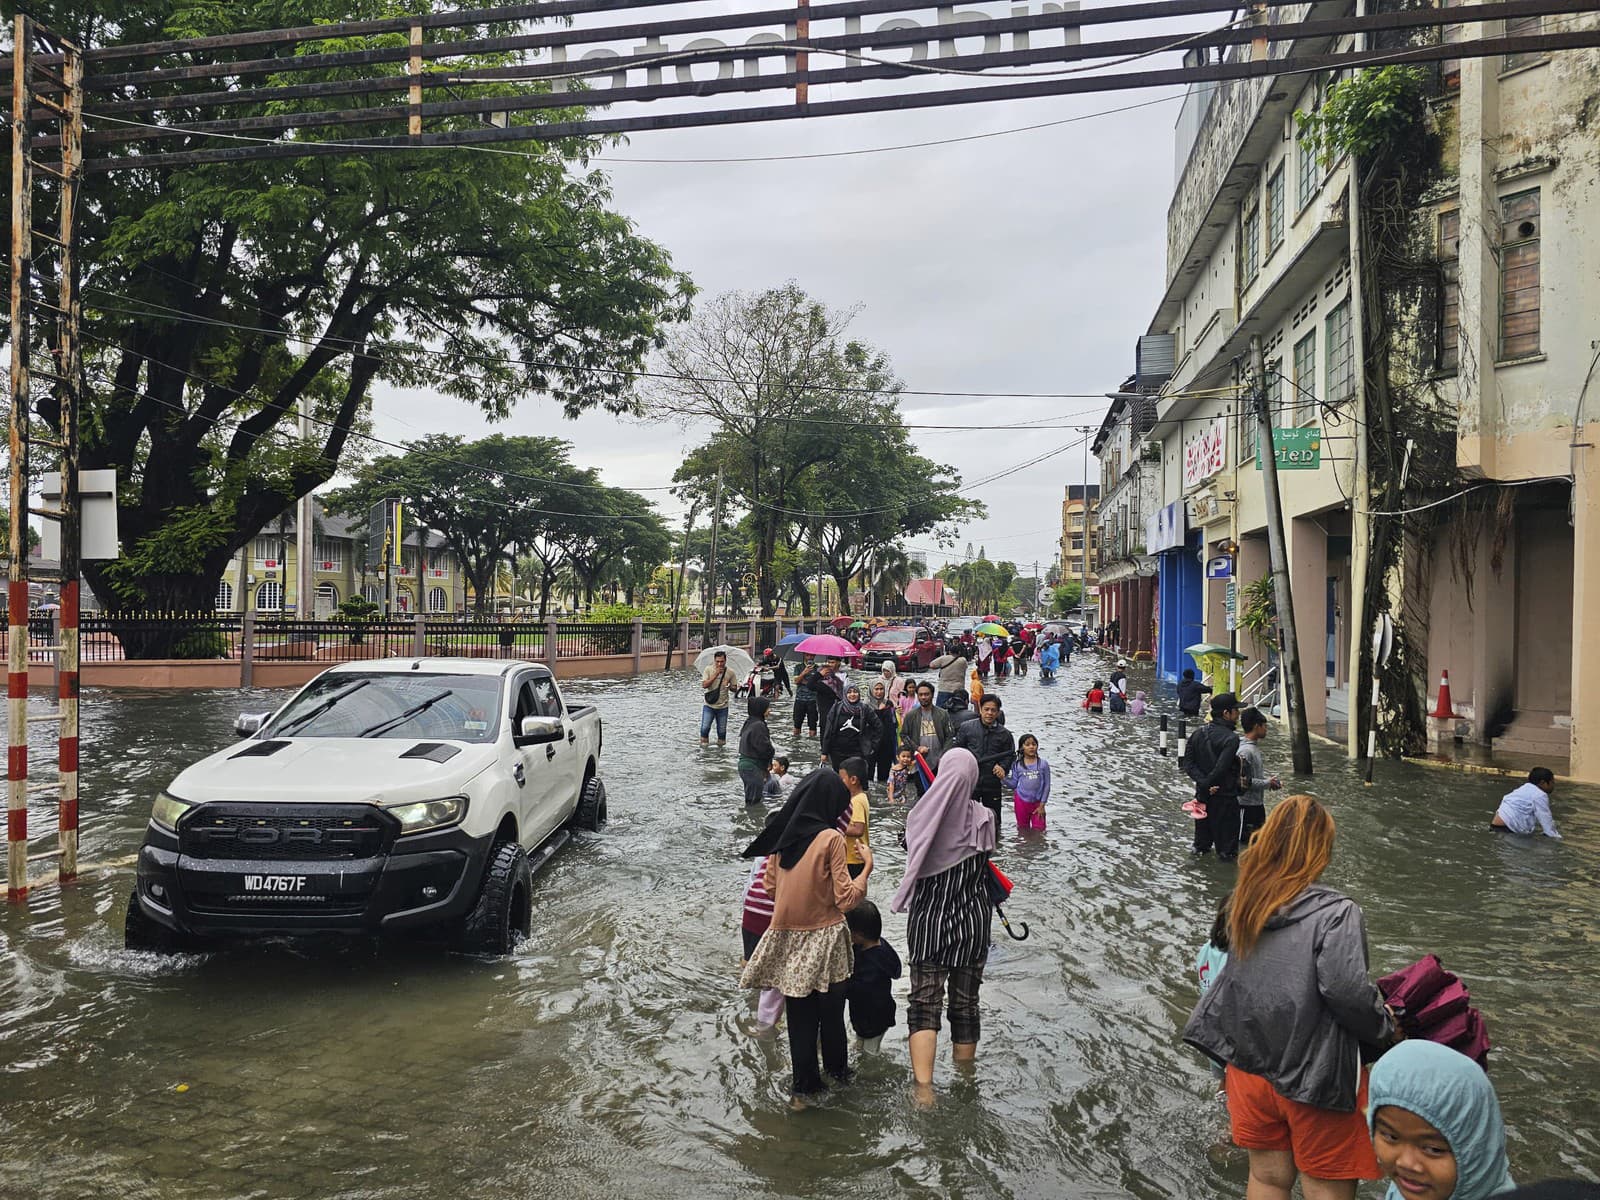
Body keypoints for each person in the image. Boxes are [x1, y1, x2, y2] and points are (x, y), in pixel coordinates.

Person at [1184, 794, 1398, 1200]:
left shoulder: (1242, 903)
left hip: (1248, 1070)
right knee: (1325, 1187)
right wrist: (1385, 1025)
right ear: (1320, 849)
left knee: (1266, 1179)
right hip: (1314, 1076)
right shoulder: (1338, 912)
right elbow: (1346, 991)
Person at [740, 768, 872, 1104]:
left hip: (788, 939)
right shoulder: (830, 838)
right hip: (826, 941)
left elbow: (770, 886)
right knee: (831, 1017)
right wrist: (866, 870)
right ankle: (839, 1079)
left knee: (799, 1021)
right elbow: (845, 899)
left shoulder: (784, 834)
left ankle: (803, 1091)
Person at [890, 749, 995, 1099]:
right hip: (973, 924)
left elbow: (908, 848)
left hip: (929, 923)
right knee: (966, 1004)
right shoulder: (985, 818)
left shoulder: (920, 818)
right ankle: (965, 1081)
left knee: (925, 1001)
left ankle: (924, 1089)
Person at [1368, 1040, 1515, 1200]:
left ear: (1476, 1152)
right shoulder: (1408, 1187)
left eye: (1433, 1149)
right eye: (1391, 1137)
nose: (1406, 1163)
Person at [1185, 693, 1243, 861]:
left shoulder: (1198, 733)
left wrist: (1203, 784)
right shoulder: (1231, 739)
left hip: (1202, 799)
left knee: (1200, 847)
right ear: (1226, 713)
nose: (1238, 715)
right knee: (1227, 852)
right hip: (1224, 798)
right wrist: (1209, 783)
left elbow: (1188, 764)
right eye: (1236, 711)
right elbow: (1221, 768)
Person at [844, 900, 902, 1053]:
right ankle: (860, 1048)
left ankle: (871, 1075)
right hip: (873, 1015)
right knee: (860, 1045)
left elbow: (859, 989)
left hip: (874, 1019)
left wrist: (840, 985)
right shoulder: (880, 945)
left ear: (858, 934)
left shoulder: (872, 964)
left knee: (870, 1053)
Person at [951, 694, 1016, 822]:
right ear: (980, 709)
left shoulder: (1005, 734)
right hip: (970, 781)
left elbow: (1010, 755)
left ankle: (995, 841)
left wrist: (1003, 767)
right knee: (966, 818)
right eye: (986, 709)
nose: (989, 713)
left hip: (992, 781)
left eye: (993, 710)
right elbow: (957, 751)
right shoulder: (966, 728)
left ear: (998, 712)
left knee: (993, 819)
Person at [740, 854, 785, 1033]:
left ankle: (751, 997)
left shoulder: (763, 858)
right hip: (769, 919)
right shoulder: (793, 857)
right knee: (773, 974)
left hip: (750, 916)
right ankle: (765, 1022)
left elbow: (748, 888)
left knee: (751, 964)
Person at [1238, 705, 1282, 845]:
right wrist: (1267, 783)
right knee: (1246, 845)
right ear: (1257, 726)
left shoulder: (1253, 748)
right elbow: (1243, 781)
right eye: (1265, 726)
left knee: (1258, 845)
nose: (1266, 729)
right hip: (1246, 807)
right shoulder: (1246, 751)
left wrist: (1269, 783)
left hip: (1257, 805)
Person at [1491, 767, 1561, 838]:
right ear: (1542, 782)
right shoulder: (1539, 795)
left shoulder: (1524, 788)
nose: (1553, 786)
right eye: (1552, 782)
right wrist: (1558, 839)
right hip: (1508, 829)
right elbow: (1547, 822)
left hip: (1495, 826)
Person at [821, 684, 880, 768]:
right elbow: (828, 730)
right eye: (849, 692)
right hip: (837, 751)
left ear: (859, 694)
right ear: (845, 694)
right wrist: (824, 752)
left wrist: (873, 745)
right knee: (840, 777)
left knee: (855, 777)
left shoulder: (864, 709)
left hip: (857, 751)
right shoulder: (836, 708)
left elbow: (878, 727)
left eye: (855, 692)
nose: (852, 694)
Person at [901, 681, 954, 768]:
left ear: (932, 695)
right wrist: (917, 748)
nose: (923, 697)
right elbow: (904, 735)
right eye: (920, 695)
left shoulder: (943, 714)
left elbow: (950, 736)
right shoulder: (911, 716)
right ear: (917, 696)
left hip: (940, 761)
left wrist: (944, 755)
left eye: (926, 694)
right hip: (918, 762)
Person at [737, 695, 777, 806]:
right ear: (761, 709)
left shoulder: (750, 722)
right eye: (768, 708)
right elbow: (764, 749)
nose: (770, 711)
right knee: (754, 802)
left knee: (750, 798)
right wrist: (770, 757)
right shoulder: (758, 726)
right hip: (752, 767)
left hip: (745, 766)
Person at [1006, 732, 1051, 830]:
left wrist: (1042, 805)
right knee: (1022, 829)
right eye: (1027, 744)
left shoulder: (1043, 764)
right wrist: (1002, 778)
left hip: (1038, 803)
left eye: (1034, 744)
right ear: (1022, 748)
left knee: (1040, 830)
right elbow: (1013, 784)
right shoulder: (1017, 765)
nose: (1031, 747)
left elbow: (1047, 786)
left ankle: (1036, 846)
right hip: (1021, 802)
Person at [837, 757, 872, 881]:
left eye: (842, 779)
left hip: (853, 859)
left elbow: (858, 829)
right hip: (854, 857)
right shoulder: (859, 798)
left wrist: (835, 826)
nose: (840, 782)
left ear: (853, 780)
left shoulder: (857, 801)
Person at [868, 681, 899, 784]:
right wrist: (879, 712)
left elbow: (892, 724)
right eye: (876, 689)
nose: (879, 692)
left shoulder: (888, 704)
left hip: (886, 744)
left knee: (884, 778)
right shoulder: (866, 706)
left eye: (881, 689)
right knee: (868, 777)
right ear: (871, 690)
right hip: (870, 744)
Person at [700, 650, 732, 744]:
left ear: (725, 661)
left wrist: (728, 685)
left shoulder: (730, 672)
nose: (719, 663)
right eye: (717, 661)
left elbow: (735, 688)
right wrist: (715, 675)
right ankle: (704, 752)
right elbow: (704, 685)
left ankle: (720, 755)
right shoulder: (708, 669)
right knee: (704, 729)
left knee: (722, 733)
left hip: (723, 706)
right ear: (714, 660)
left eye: (722, 661)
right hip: (709, 705)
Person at [792, 656, 821, 740]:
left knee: (813, 725)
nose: (810, 657)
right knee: (797, 724)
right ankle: (796, 743)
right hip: (799, 699)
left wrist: (806, 682)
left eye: (812, 655)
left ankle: (811, 743)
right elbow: (796, 681)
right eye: (808, 655)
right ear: (804, 655)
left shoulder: (818, 669)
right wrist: (804, 672)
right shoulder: (798, 667)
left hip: (813, 700)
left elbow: (819, 684)